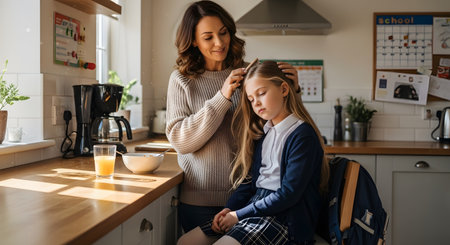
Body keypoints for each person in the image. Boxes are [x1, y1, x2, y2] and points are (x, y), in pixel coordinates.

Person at [166, 0, 300, 233]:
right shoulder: (181, 80)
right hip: (199, 201)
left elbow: (277, 127)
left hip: (249, 197)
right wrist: (223, 96)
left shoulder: (249, 74)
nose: (219, 43)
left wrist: (293, 92)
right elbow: (181, 141)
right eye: (208, 37)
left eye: (223, 33)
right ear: (194, 41)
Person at [177, 60, 329, 245]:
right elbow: (250, 183)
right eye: (251, 99)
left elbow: (288, 194)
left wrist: (238, 215)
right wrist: (229, 209)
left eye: (262, 93)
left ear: (283, 90)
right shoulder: (265, 133)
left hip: (287, 219)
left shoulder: (302, 135)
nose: (256, 103)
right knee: (187, 241)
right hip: (256, 208)